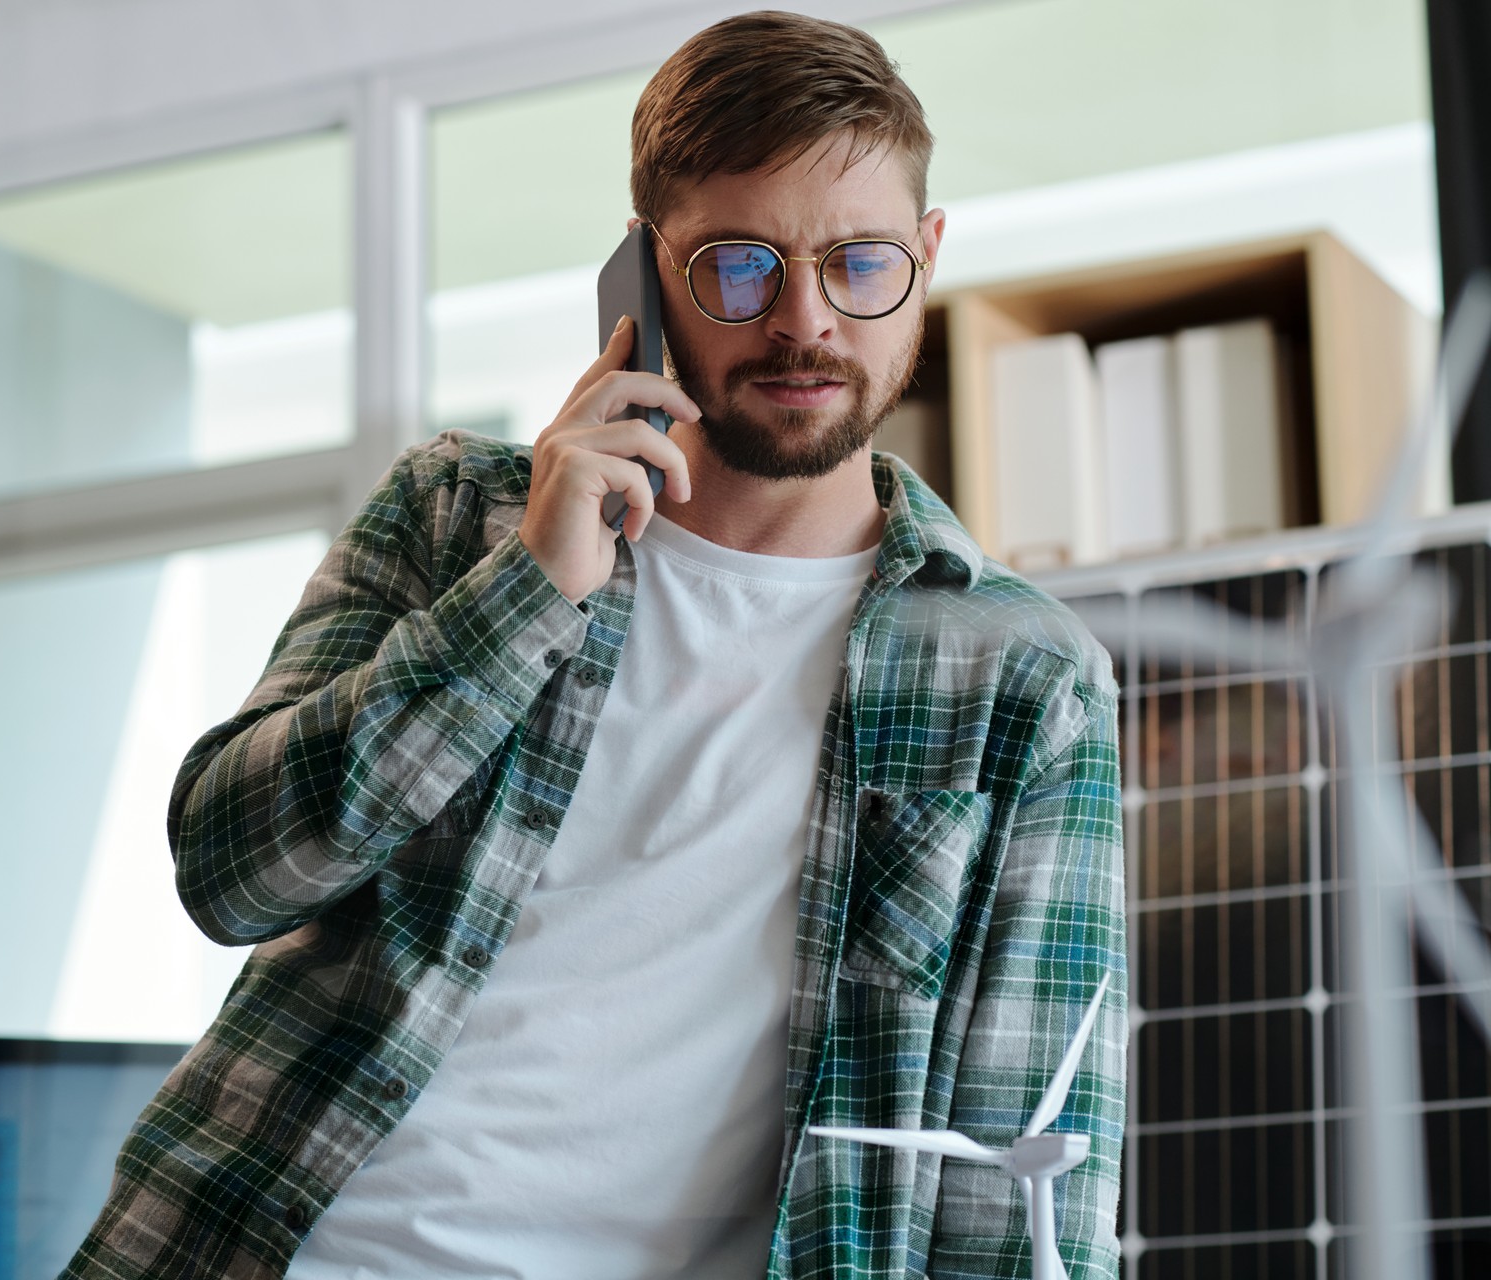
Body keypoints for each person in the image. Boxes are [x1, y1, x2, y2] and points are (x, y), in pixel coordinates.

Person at [62, 10, 1125, 1279]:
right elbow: (230, 870)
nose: (806, 322)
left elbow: (1029, 1169)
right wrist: (526, 591)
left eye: (860, 262)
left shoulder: (1019, 675)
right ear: (644, 275)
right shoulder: (457, 513)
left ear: (927, 257)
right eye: (740, 266)